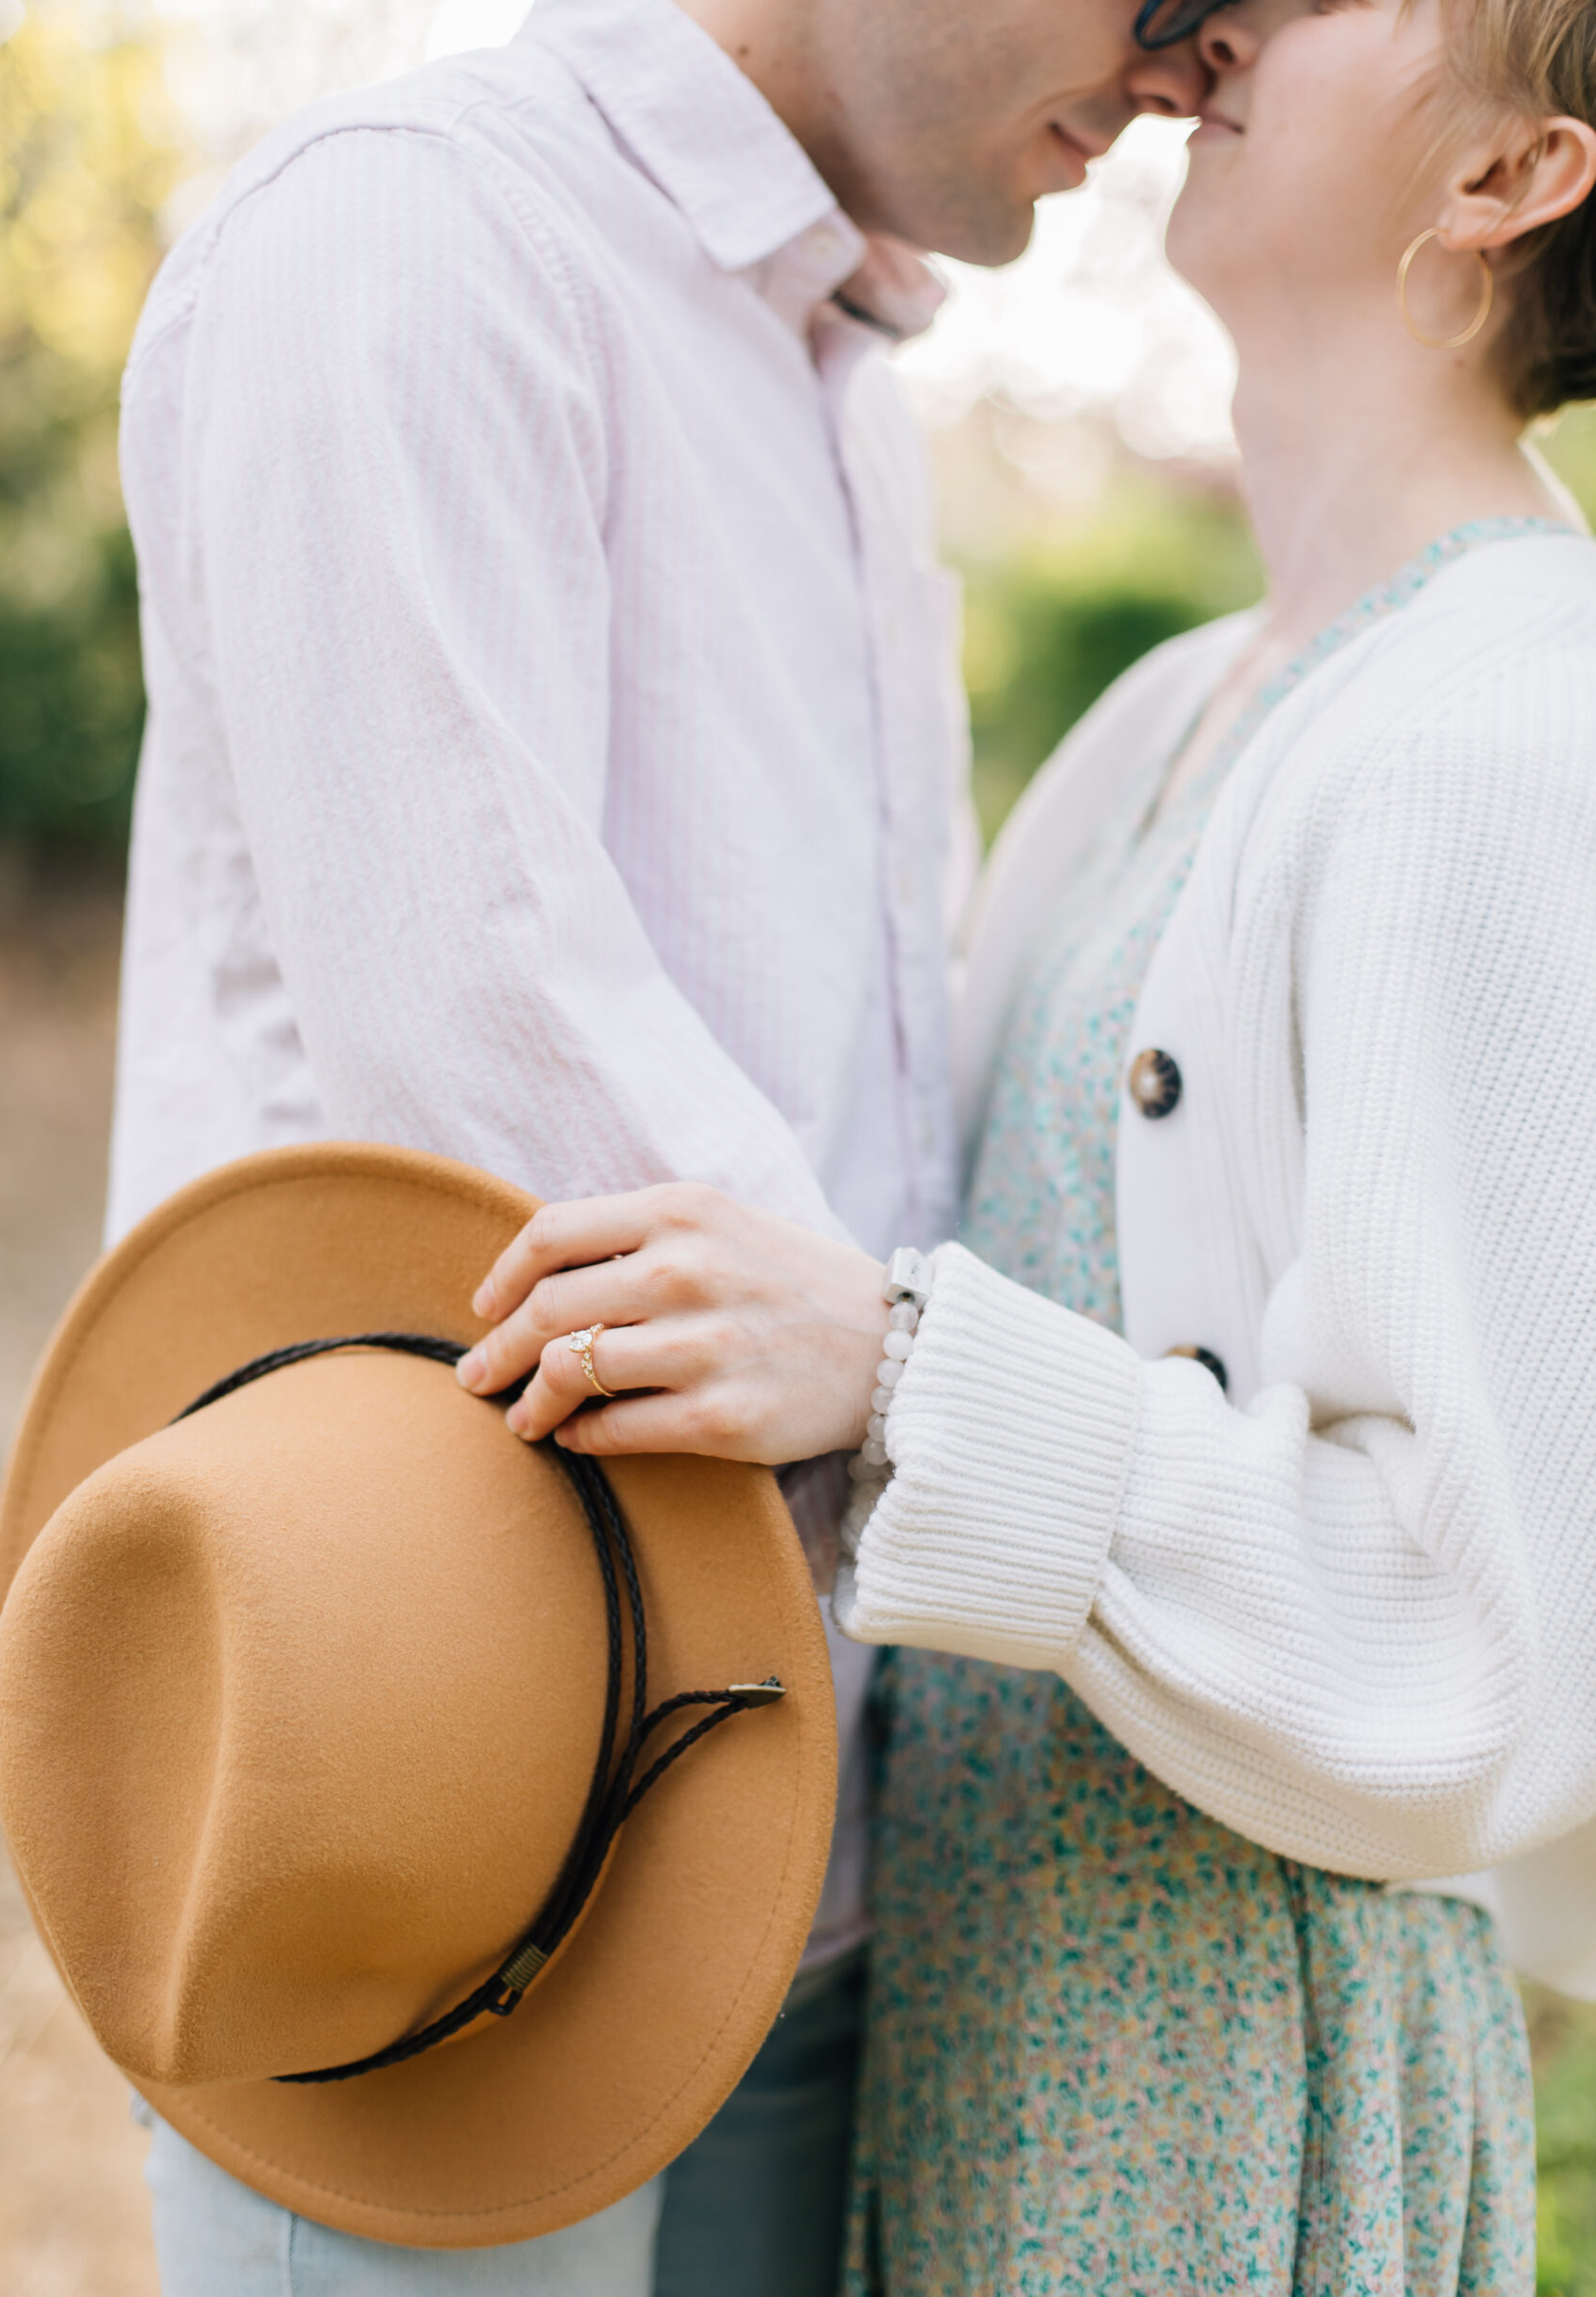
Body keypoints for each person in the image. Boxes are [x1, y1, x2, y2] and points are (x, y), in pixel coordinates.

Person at [459, 0, 1596, 2283]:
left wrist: (897, 1367)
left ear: (1505, 179)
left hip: (1213, 2087)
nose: (1226, 12)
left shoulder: (1513, 731)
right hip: (990, 2018)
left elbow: (1488, 1642)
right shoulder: (1178, 710)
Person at [109, 0, 1213, 2288]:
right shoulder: (429, 240)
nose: (1198, 64)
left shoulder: (849, 385)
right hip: (442, 1838)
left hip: (790, 1822)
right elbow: (500, 1075)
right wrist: (1089, 1491)